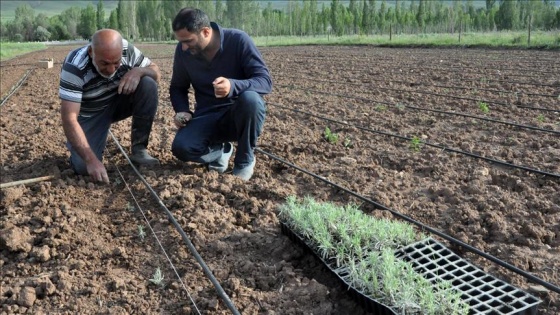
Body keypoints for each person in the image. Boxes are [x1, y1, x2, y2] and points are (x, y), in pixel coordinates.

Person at [169, 8, 272, 181]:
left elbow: (264, 81)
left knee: (251, 99)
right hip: (207, 115)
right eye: (181, 42)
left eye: (188, 41)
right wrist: (182, 110)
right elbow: (177, 87)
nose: (184, 47)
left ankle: (244, 160)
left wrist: (233, 85)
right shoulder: (183, 51)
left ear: (206, 32)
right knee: (182, 148)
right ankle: (220, 151)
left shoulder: (238, 40)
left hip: (237, 114)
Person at [59, 29, 161, 183]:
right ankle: (82, 147)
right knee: (83, 168)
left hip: (118, 101)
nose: (111, 70)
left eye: (116, 63)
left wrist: (139, 71)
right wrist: (91, 160)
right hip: (91, 114)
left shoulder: (127, 49)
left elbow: (156, 72)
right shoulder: (75, 66)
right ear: (91, 52)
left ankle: (139, 150)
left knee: (148, 83)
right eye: (104, 63)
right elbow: (69, 118)